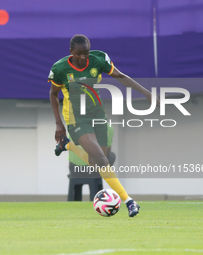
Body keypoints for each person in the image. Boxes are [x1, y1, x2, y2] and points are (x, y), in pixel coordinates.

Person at [49, 34, 159, 217]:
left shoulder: (98, 59)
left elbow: (120, 76)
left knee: (97, 162)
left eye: (86, 53)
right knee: (102, 161)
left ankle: (67, 145)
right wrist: (58, 123)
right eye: (79, 54)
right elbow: (53, 94)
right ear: (71, 52)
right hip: (76, 119)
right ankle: (129, 201)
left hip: (97, 115)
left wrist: (146, 92)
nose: (83, 57)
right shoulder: (60, 68)